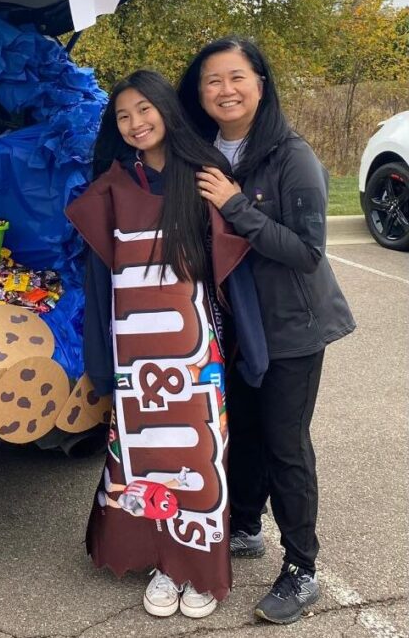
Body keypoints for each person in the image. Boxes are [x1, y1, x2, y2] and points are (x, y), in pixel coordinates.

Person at [66, 70, 267, 620]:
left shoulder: (204, 177)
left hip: (194, 351)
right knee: (148, 457)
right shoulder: (109, 188)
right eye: (123, 115)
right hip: (137, 355)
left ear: (166, 110)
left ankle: (198, 567)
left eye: (144, 109)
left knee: (199, 455)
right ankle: (161, 561)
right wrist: (100, 362)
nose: (135, 123)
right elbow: (96, 283)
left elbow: (232, 270)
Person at [178, 36, 356, 625]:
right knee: (245, 432)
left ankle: (302, 568)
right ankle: (246, 526)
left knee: (285, 444)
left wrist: (236, 205)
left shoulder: (291, 154)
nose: (225, 90)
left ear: (260, 83)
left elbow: (307, 251)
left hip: (291, 326)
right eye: (212, 81)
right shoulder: (201, 152)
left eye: (237, 78)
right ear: (199, 93)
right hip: (232, 322)